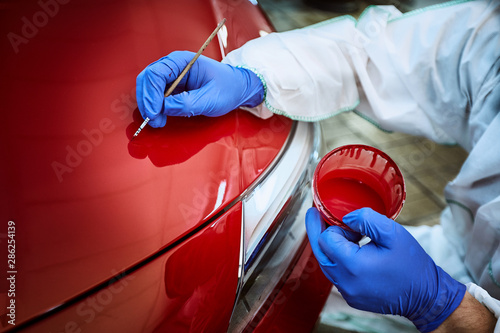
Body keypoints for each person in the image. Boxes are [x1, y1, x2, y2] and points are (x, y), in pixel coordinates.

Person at [135, 0, 500, 331]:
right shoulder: (491, 35)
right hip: (452, 259)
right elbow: (371, 54)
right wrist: (254, 77)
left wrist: (443, 306)